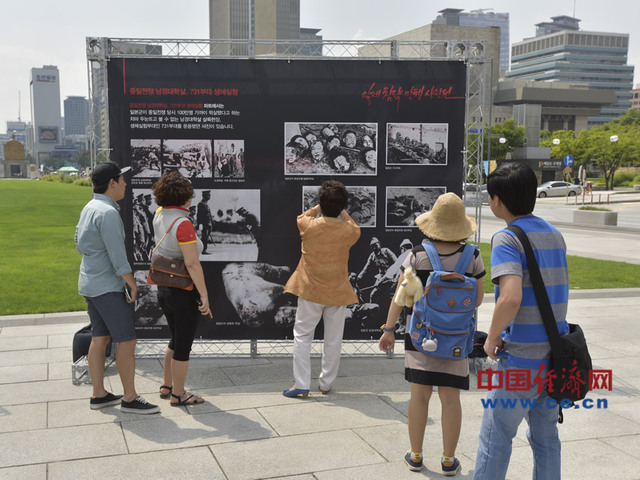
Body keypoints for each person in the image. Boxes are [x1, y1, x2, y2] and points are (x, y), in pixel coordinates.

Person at [473, 162, 569, 480]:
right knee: (546, 441)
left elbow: (510, 297)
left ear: (497, 199)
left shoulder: (506, 239)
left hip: (521, 361)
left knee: (495, 437)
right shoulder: (554, 235)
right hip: (555, 357)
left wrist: (492, 337)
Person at [379, 192, 485, 475]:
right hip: (457, 341)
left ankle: (415, 456)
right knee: (451, 399)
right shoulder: (473, 256)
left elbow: (400, 297)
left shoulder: (417, 255)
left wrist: (388, 330)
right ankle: (449, 460)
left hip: (420, 336)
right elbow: (477, 300)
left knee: (419, 397)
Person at [75, 161, 159, 414]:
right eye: (122, 180)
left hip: (90, 282)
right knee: (127, 341)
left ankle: (99, 394)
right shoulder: (108, 213)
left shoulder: (90, 207)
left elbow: (79, 242)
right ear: (112, 182)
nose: (125, 184)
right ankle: (130, 397)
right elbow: (117, 256)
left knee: (100, 338)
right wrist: (132, 284)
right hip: (107, 287)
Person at [283, 180, 361, 397]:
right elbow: (354, 226)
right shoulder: (349, 231)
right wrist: (340, 210)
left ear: (320, 202)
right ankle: (325, 384)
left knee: (302, 336)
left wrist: (321, 206)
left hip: (310, 290)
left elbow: (303, 216)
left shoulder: (308, 225)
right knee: (333, 340)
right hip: (337, 292)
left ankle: (301, 384)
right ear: (343, 205)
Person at [151, 171, 212, 406]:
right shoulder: (183, 223)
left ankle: (166, 384)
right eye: (190, 191)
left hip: (164, 287)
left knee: (175, 338)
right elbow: (192, 263)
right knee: (183, 346)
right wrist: (204, 294)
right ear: (184, 196)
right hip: (182, 289)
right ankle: (178, 394)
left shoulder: (159, 214)